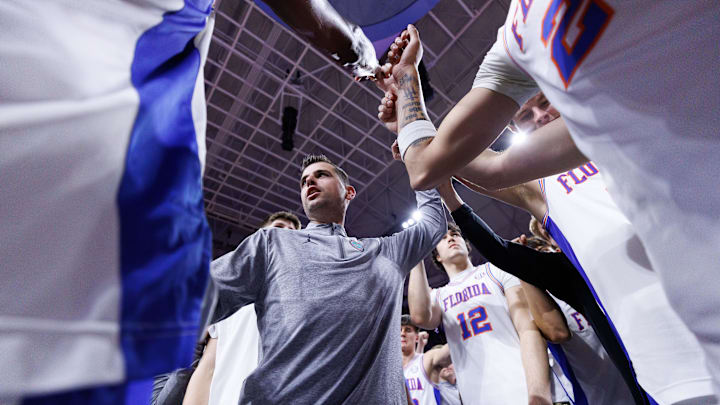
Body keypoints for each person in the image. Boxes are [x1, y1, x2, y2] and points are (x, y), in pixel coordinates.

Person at [1, 0, 379, 402]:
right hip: (100, 223)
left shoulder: (339, 276)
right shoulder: (238, 283)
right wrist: (360, 52)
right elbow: (208, 358)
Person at [377, 1, 720, 391]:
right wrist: (408, 105)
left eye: (543, 102)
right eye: (524, 117)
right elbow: (461, 164)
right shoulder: (521, 39)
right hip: (676, 370)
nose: (538, 117)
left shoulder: (615, 112)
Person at [210, 154, 446, 403]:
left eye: (321, 175)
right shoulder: (272, 243)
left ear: (349, 192)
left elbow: (433, 223)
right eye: (304, 181)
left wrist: (414, 154)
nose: (309, 181)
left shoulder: (386, 252)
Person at [408, 224, 552, 405]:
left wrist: (538, 392)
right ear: (437, 256)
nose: (451, 238)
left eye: (455, 234)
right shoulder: (438, 295)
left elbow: (528, 329)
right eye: (443, 238)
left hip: (520, 384)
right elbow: (419, 317)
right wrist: (417, 255)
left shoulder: (496, 271)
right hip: (476, 395)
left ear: (467, 246)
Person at [400, 315, 451, 405]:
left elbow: (448, 350)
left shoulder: (425, 359)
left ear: (416, 337)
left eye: (408, 330)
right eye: (399, 330)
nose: (402, 334)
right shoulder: (390, 370)